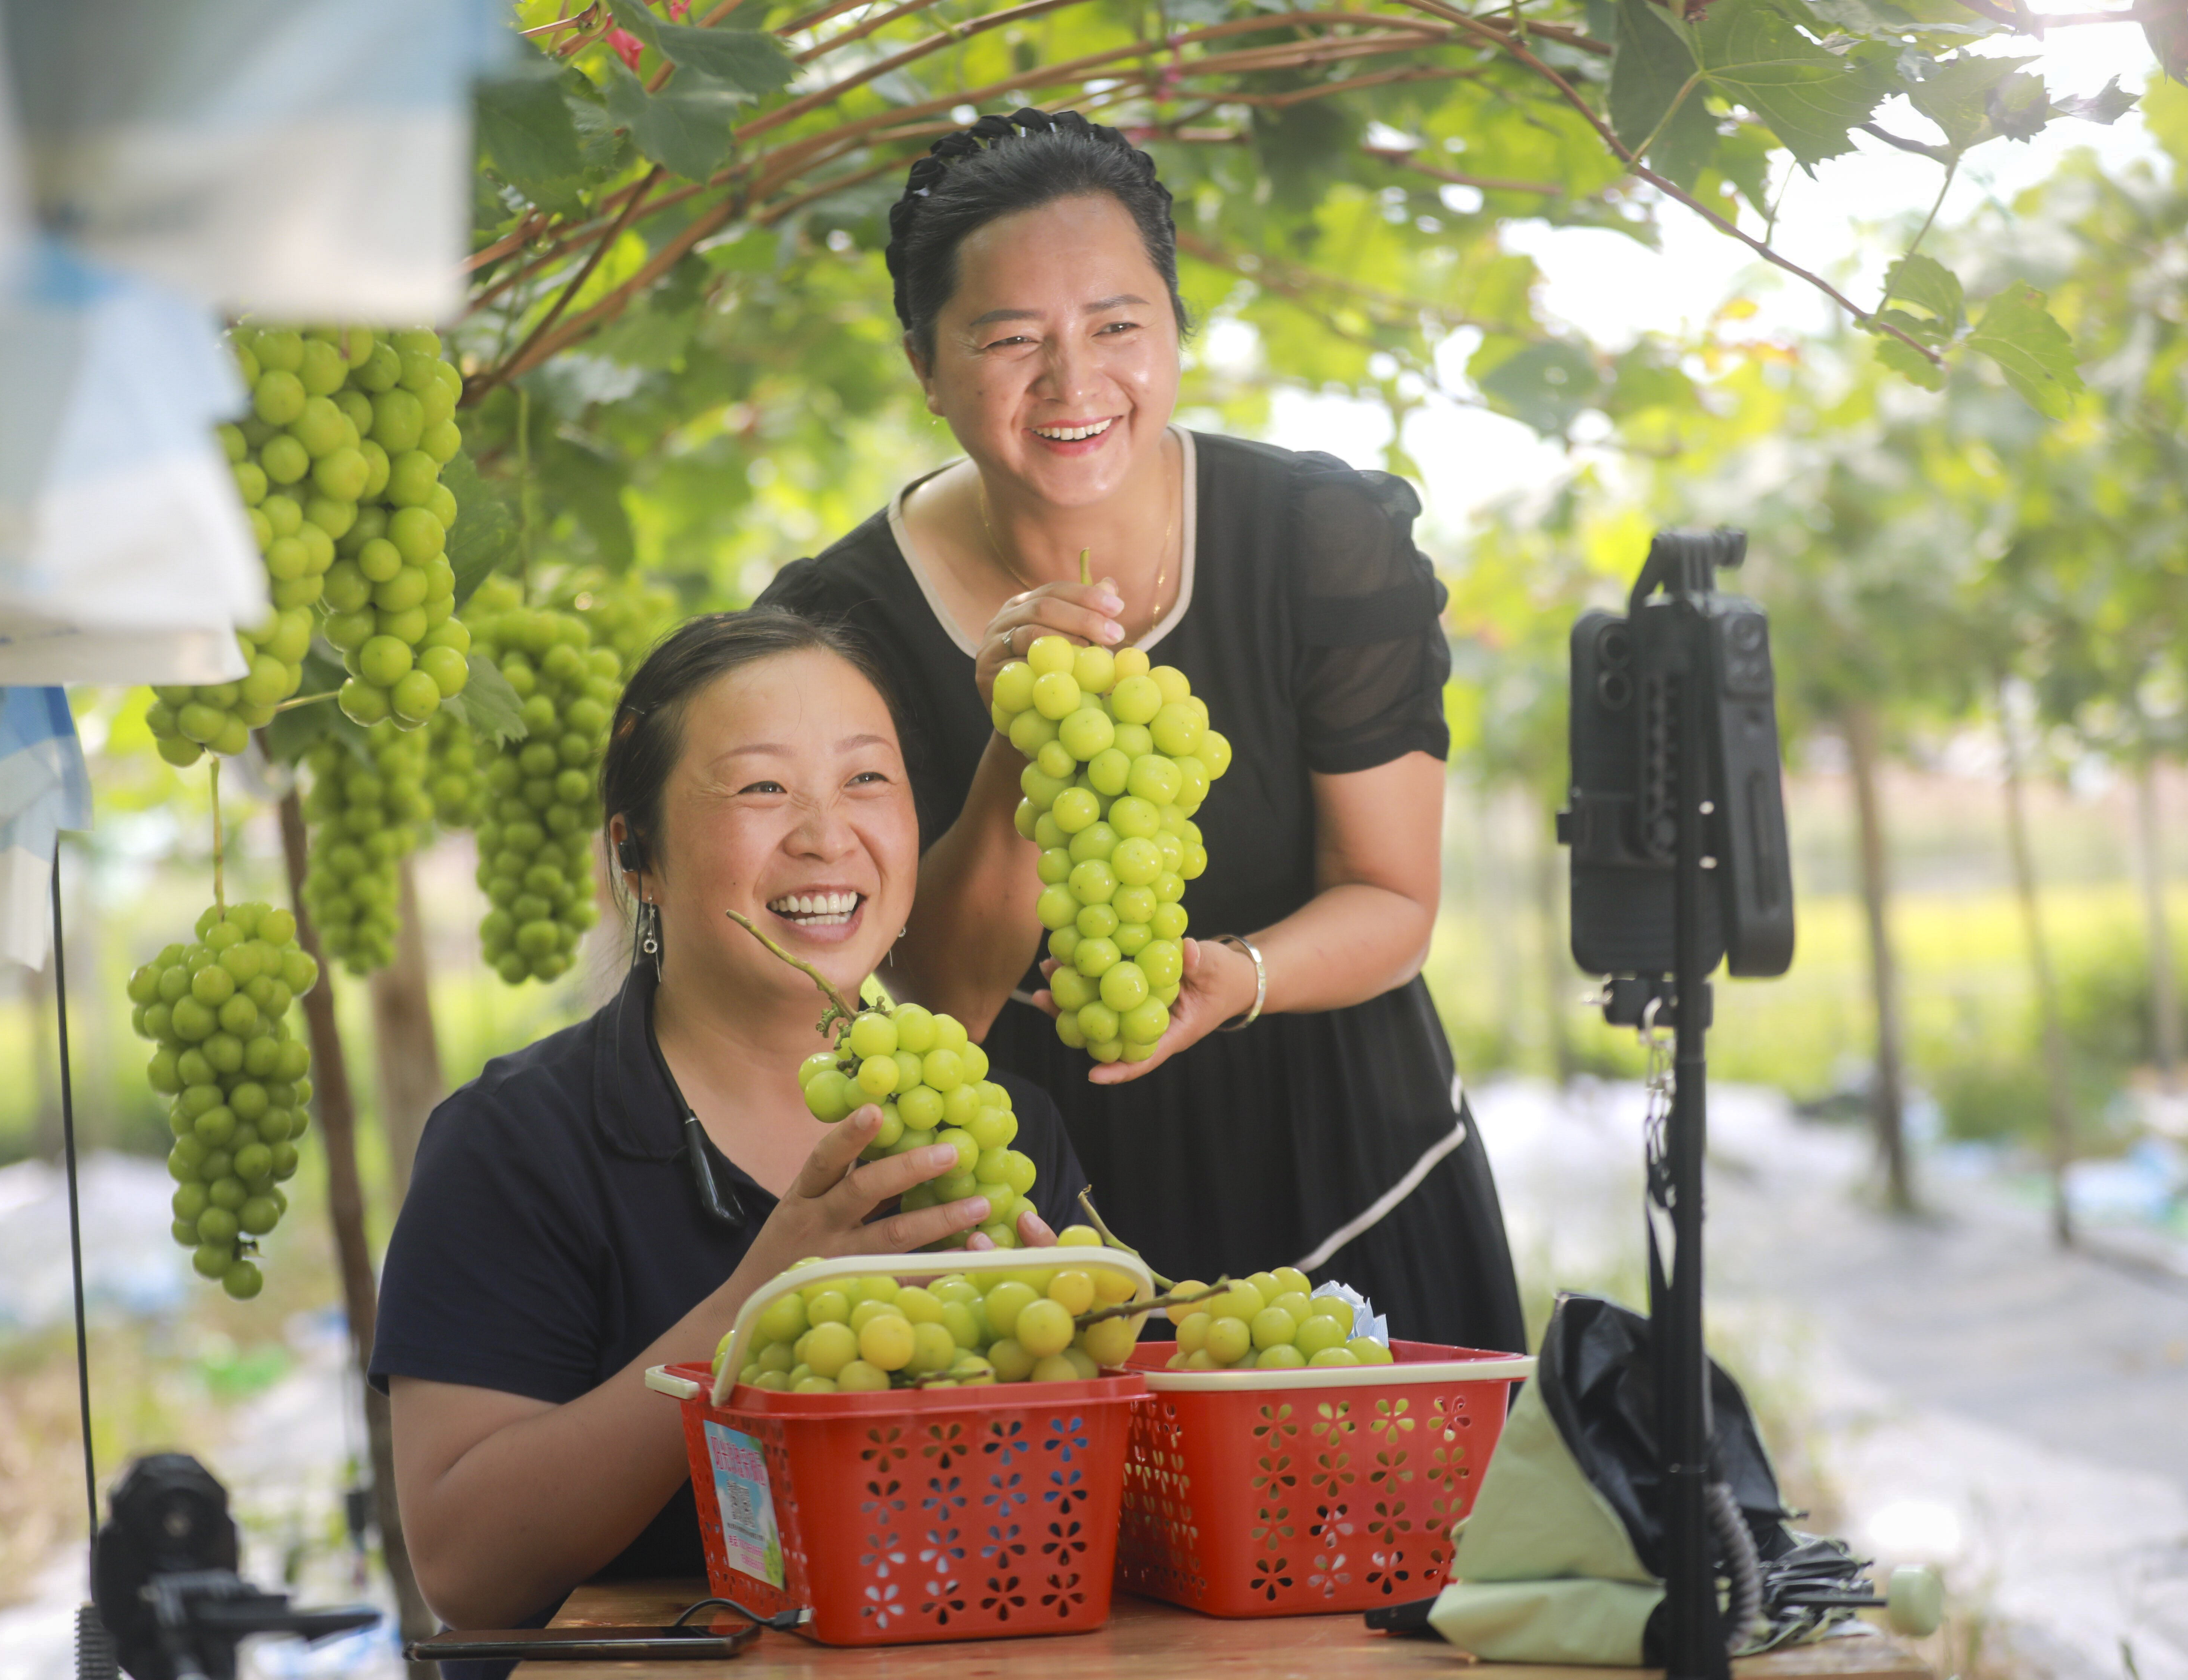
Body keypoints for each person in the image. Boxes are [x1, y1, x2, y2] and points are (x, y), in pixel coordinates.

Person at [758, 108, 1520, 1353]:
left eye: (1117, 326)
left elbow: (1393, 901)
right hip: (1043, 1240)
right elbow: (940, 994)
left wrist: (1241, 977)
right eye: (1011, 339)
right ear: (926, 367)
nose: (1074, 384)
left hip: (1352, 1171)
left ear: (1175, 327)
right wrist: (1018, 746)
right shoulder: (841, 626)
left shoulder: (1320, 539)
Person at [371, 609, 1090, 1668]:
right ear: (638, 856)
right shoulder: (512, 1146)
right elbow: (468, 1571)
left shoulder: (997, 1126)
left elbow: (1056, 1526)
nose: (826, 836)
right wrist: (749, 1312)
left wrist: (1067, 1370)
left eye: (866, 779)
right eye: (762, 788)